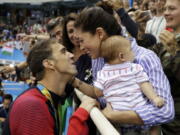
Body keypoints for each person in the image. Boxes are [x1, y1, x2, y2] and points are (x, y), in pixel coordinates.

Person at [73, 3, 174, 134]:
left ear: (99, 33)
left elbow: (165, 111)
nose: (80, 47)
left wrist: (114, 116)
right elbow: (101, 96)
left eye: (82, 40)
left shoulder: (145, 58)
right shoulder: (98, 58)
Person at [2, 39, 98, 135]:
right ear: (49, 64)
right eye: (63, 52)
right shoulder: (32, 106)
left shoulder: (48, 99)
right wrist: (80, 116)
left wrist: (72, 80)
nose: (72, 55)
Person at [157, 0, 180, 134]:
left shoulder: (172, 43)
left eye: (171, 9)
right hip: (163, 119)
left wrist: (175, 53)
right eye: (165, 8)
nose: (166, 13)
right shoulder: (168, 39)